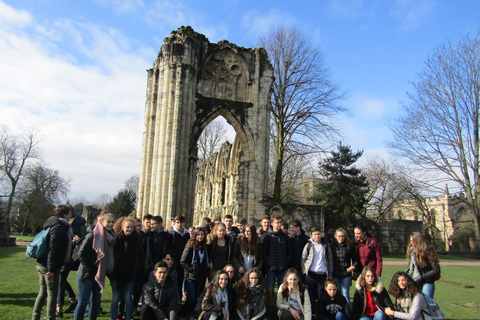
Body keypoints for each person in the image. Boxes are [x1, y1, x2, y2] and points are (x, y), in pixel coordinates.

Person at [32, 205, 73, 320]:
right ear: (64, 214)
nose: (71, 216)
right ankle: (50, 317)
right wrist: (51, 269)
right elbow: (54, 249)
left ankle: (35, 317)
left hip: (41, 263)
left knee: (43, 292)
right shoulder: (59, 227)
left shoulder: (51, 223)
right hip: (48, 265)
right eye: (69, 213)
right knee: (52, 293)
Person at [74, 212, 116, 320]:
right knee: (83, 302)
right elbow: (81, 253)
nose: (110, 224)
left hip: (99, 274)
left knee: (96, 302)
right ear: (101, 222)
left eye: (112, 222)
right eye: (108, 221)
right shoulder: (92, 235)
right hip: (86, 273)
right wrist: (90, 267)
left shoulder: (111, 237)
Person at [110, 217, 144, 320]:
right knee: (116, 298)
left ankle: (128, 317)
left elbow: (140, 257)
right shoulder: (116, 240)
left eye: (131, 227)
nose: (129, 229)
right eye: (127, 227)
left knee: (128, 298)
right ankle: (114, 317)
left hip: (130, 274)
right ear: (122, 227)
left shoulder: (137, 241)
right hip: (117, 274)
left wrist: (135, 271)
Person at [57, 205, 85, 316]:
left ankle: (61, 308)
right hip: (66, 255)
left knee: (86, 281)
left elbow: (86, 237)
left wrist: (78, 240)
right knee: (61, 279)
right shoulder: (63, 224)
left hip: (76, 256)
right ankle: (70, 301)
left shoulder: (80, 223)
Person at [301, 227, 333, 314]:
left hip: (322, 274)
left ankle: (320, 312)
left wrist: (329, 273)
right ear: (312, 235)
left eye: (318, 234)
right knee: (311, 294)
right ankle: (312, 312)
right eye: (315, 234)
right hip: (311, 273)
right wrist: (304, 271)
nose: (317, 236)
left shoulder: (326, 245)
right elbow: (303, 258)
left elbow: (330, 259)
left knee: (321, 295)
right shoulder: (309, 245)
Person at [180, 227, 210, 320]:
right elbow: (183, 261)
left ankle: (192, 313)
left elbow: (205, 260)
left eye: (202, 235)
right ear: (195, 235)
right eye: (198, 235)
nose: (200, 237)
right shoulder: (190, 245)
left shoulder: (204, 246)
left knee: (197, 297)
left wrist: (205, 272)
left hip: (200, 276)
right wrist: (191, 270)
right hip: (191, 276)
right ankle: (184, 312)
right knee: (191, 297)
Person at [406, 232, 440, 298]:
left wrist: (422, 277)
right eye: (410, 241)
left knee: (427, 304)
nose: (411, 243)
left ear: (418, 240)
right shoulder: (412, 251)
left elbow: (436, 270)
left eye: (413, 241)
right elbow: (411, 268)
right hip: (415, 282)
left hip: (426, 282)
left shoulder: (427, 250)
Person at [263, 214, 292, 295]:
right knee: (270, 290)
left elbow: (289, 251)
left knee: (283, 290)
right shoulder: (267, 237)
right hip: (271, 268)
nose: (279, 224)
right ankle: (270, 307)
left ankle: (282, 307)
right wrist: (268, 263)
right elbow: (264, 252)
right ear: (272, 223)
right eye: (277, 223)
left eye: (280, 222)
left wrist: (286, 262)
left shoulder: (285, 237)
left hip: (283, 267)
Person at [331, 228, 355, 306]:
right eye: (339, 236)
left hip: (346, 274)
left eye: (343, 236)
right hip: (336, 273)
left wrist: (353, 267)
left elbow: (355, 259)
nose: (341, 238)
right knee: (337, 293)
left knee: (345, 294)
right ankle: (338, 311)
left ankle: (347, 313)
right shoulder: (332, 246)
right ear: (335, 236)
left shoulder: (348, 246)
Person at [170, 215, 190, 296]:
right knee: (172, 283)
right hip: (174, 262)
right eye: (177, 222)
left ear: (184, 223)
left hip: (183, 263)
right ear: (174, 223)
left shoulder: (186, 235)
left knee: (180, 284)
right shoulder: (171, 234)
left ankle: (178, 304)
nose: (179, 225)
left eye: (181, 222)